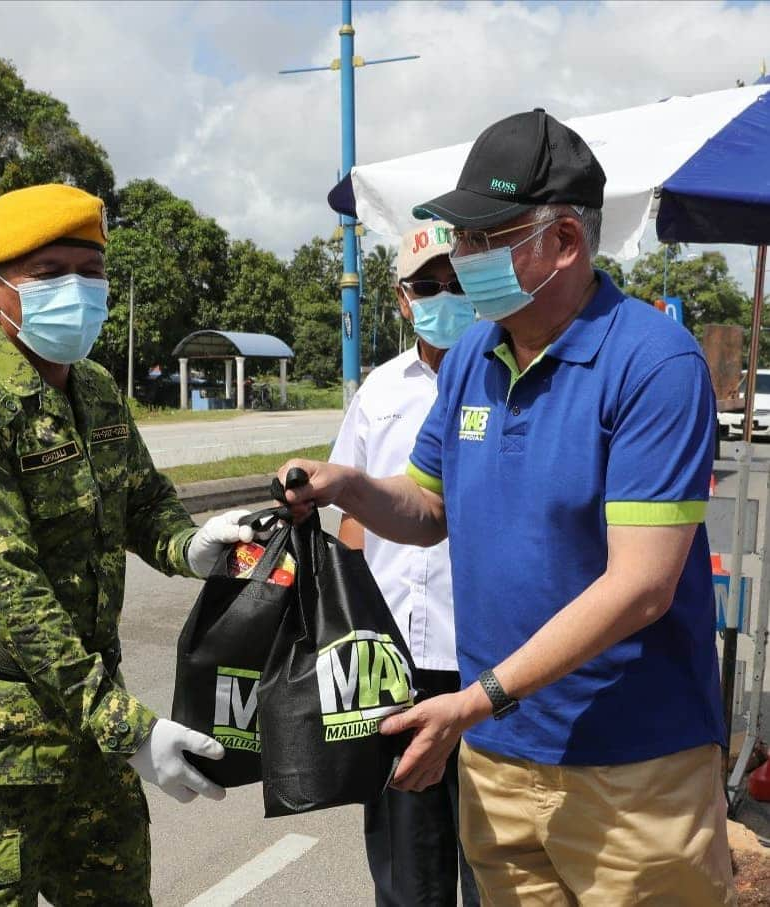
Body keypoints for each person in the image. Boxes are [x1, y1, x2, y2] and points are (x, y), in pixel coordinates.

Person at [280, 110, 734, 905]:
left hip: (631, 766)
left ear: (563, 242)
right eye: (460, 237)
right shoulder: (471, 362)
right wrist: (345, 485)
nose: (461, 258)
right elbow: (424, 507)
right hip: (498, 758)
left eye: (485, 237)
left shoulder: (651, 362)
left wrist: (477, 696)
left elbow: (642, 585)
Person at [0, 184, 254, 905]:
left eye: (91, 272)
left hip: (89, 744)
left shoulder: (92, 388)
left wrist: (190, 546)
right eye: (52, 272)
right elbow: (11, 591)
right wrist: (127, 727)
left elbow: (142, 500)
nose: (80, 290)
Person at [329, 223, 479, 907]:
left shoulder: (506, 382)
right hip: (393, 664)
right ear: (401, 298)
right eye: (428, 286)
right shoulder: (379, 390)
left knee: (495, 861)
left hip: (488, 663)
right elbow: (353, 517)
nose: (443, 296)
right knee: (405, 871)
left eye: (457, 283)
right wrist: (354, 630)